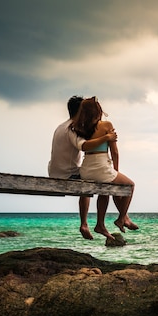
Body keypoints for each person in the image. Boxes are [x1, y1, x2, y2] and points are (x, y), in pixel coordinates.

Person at [48, 95, 117, 240]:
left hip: (54, 171)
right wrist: (106, 137)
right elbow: (84, 145)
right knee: (98, 180)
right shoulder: (72, 128)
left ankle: (90, 223)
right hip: (67, 174)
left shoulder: (60, 126)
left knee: (88, 175)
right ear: (81, 111)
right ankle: (87, 223)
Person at [71, 96, 138, 238]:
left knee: (105, 191)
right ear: (98, 110)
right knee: (130, 185)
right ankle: (121, 218)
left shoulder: (80, 127)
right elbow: (114, 152)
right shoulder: (106, 126)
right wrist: (116, 171)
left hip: (86, 169)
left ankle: (100, 225)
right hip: (101, 167)